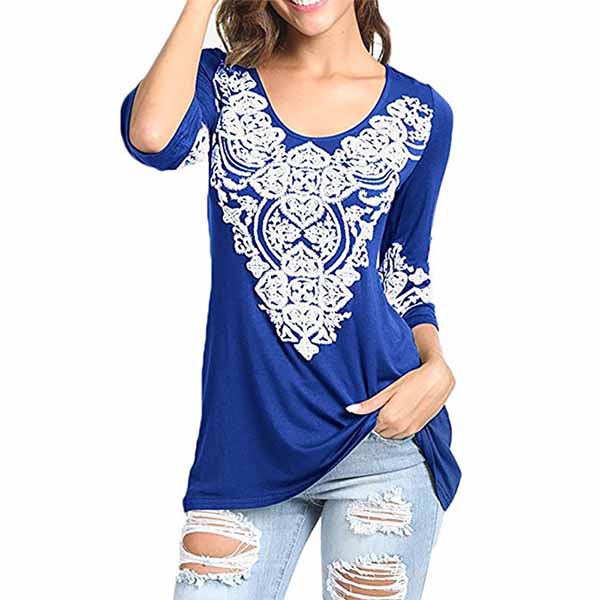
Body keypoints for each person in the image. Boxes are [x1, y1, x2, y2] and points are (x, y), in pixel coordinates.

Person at [120, 1, 461, 598]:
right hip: (243, 446)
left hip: (381, 439)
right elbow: (153, 139)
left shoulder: (421, 112)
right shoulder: (222, 85)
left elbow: (405, 268)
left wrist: (435, 366)